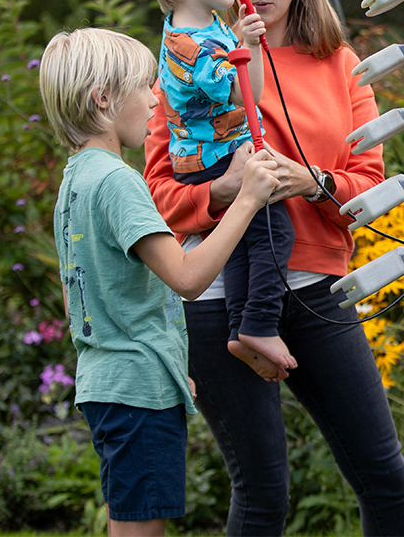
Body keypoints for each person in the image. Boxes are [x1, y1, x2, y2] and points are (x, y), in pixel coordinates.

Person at [143, 0, 404, 536]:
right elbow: (161, 193)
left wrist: (315, 183)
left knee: (384, 477)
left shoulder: (341, 63)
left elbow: (370, 184)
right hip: (218, 300)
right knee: (263, 489)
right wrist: (223, 193)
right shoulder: (193, 60)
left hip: (317, 290)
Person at [40, 27, 279, 537]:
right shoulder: (117, 181)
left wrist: (166, 364)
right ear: (102, 99)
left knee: (125, 522)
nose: (156, 99)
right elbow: (189, 278)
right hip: (136, 393)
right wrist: (248, 199)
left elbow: (78, 295)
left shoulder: (74, 181)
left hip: (107, 383)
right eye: (145, 86)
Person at [139, 0, 297, 375]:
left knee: (243, 244)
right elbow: (245, 97)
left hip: (210, 157)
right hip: (216, 161)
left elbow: (252, 93)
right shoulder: (196, 48)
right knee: (274, 232)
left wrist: (245, 44)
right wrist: (250, 45)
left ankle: (240, 328)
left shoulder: (202, 29)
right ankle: (261, 323)